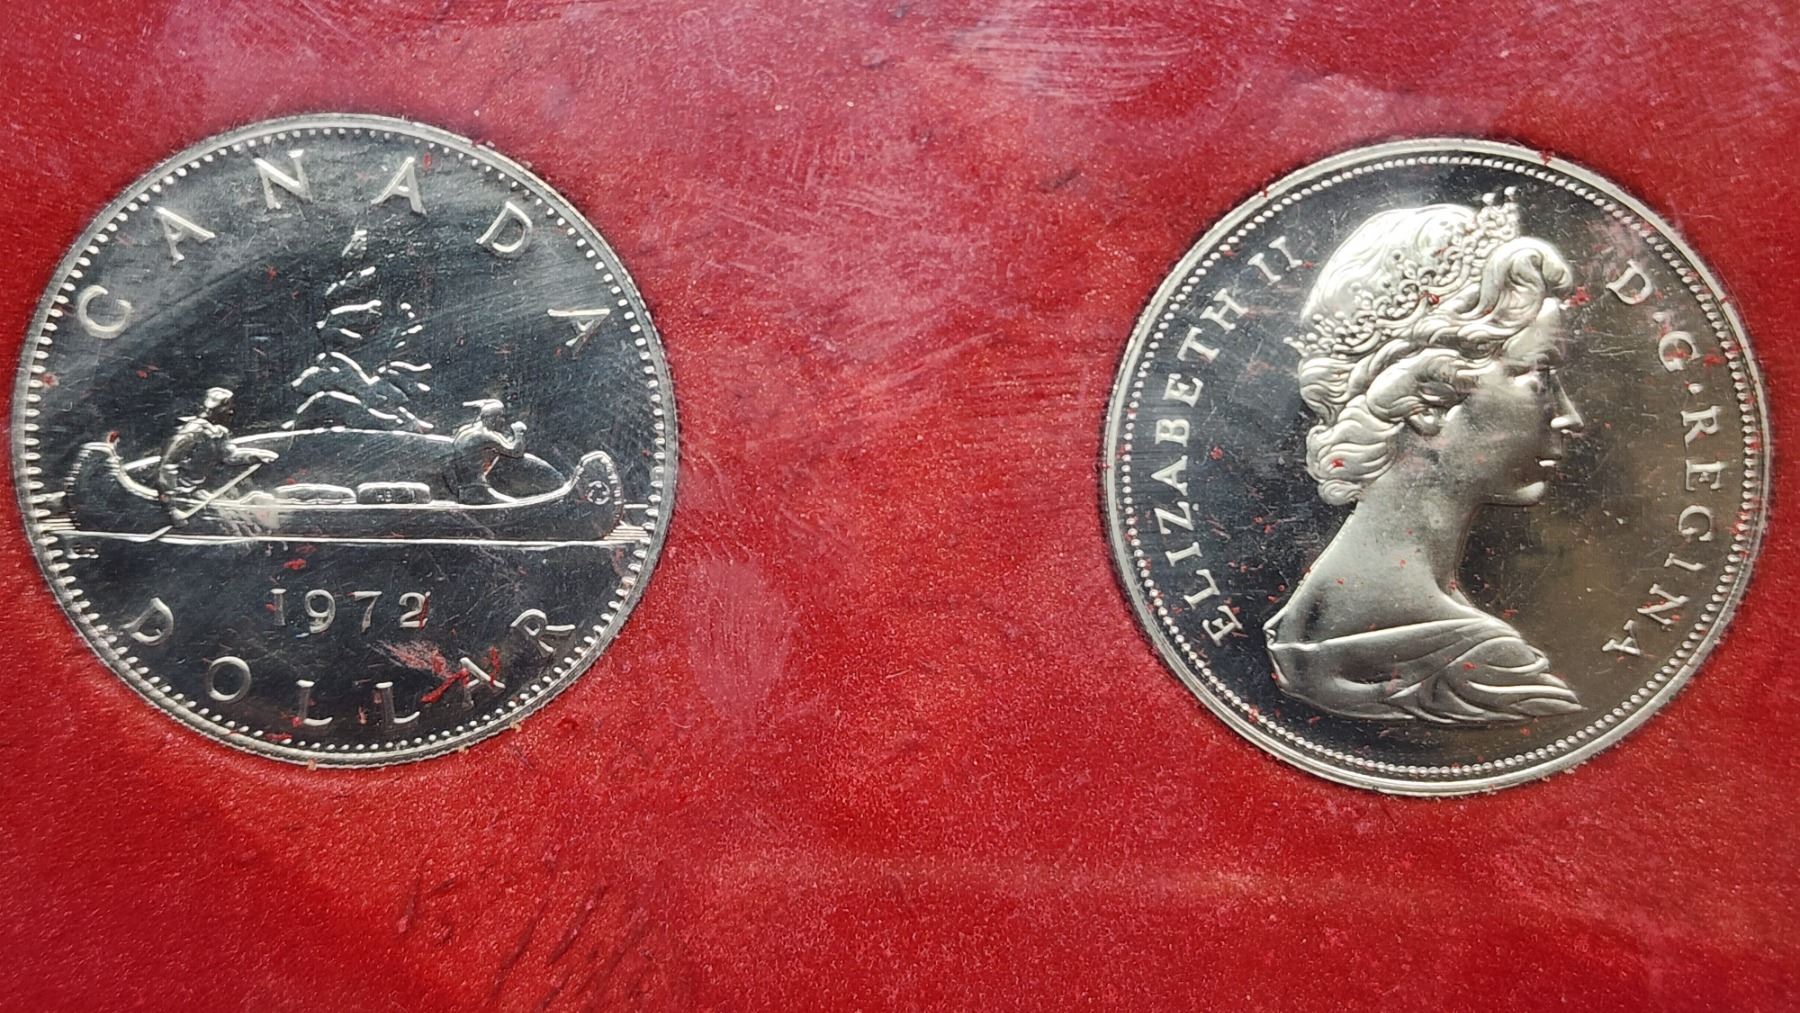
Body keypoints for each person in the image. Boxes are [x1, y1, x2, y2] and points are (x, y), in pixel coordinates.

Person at [1263, 190, 1587, 724]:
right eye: (1540, 375)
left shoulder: (1299, 626)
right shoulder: (1489, 668)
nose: (1569, 416)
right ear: (1428, 400)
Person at [156, 387, 279, 501]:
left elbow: (228, 456)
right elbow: (167, 465)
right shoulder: (191, 432)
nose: (231, 412)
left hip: (195, 489)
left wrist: (254, 456)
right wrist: (171, 504)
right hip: (176, 492)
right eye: (227, 409)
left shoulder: (218, 432)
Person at [446, 399, 527, 503]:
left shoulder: (465, 431)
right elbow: (515, 452)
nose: (503, 421)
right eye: (501, 417)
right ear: (493, 418)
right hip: (478, 490)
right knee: (514, 504)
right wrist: (519, 432)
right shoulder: (486, 435)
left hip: (463, 489)